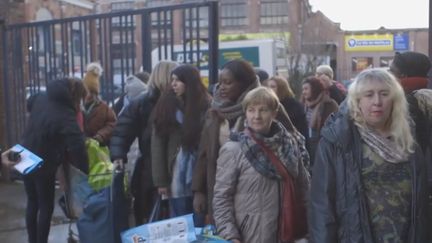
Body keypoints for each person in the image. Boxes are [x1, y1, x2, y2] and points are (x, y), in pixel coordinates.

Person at [309, 69, 429, 243]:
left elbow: (421, 209)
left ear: (395, 100)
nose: (377, 102)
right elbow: (322, 207)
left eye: (384, 94)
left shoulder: (409, 143)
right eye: (369, 95)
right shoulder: (337, 142)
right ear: (357, 101)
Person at [192, 59, 297, 222]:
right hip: (222, 190)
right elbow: (204, 153)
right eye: (220, 83)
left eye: (228, 82)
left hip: (258, 196)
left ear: (244, 84)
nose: (222, 87)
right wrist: (198, 190)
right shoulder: (215, 110)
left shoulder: (266, 105)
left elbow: (290, 143)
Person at [213, 87, 310, 243]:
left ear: (274, 112)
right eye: (251, 110)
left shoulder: (289, 145)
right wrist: (230, 235)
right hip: (252, 236)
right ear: (245, 113)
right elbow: (221, 198)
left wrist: (312, 228)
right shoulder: (234, 149)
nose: (256, 116)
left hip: (292, 233)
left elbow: (305, 188)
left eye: (263, 110)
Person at [17, 77, 88, 243]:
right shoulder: (65, 113)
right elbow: (77, 145)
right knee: (46, 206)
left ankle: (32, 240)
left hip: (24, 154)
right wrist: (85, 171)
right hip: (43, 161)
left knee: (32, 201)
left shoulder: (41, 97)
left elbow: (30, 102)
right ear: (75, 96)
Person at [110, 60, 179, 225]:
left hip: (151, 167)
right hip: (155, 166)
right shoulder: (144, 102)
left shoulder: (142, 102)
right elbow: (122, 131)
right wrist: (119, 155)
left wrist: (119, 154)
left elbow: (121, 131)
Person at [151, 64, 210, 224]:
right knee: (180, 223)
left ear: (189, 82)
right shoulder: (166, 105)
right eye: (172, 80)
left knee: (199, 222)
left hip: (200, 173)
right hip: (175, 175)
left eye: (178, 80)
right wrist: (161, 181)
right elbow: (157, 145)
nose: (174, 84)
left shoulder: (206, 105)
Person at [301, 76, 338, 164]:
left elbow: (335, 127)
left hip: (323, 148)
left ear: (314, 89)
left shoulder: (329, 104)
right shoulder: (303, 104)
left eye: (306, 89)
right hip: (307, 146)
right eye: (303, 89)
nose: (304, 92)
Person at [82, 62, 117, 146]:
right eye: (85, 91)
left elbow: (112, 124)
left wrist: (100, 136)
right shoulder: (76, 106)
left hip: (98, 147)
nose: (88, 94)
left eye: (91, 91)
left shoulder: (103, 107)